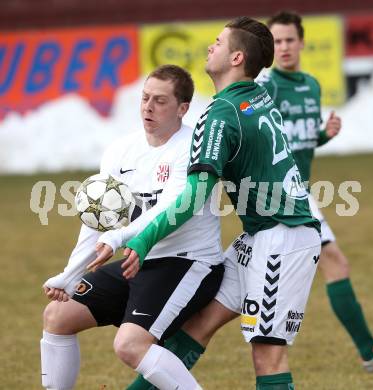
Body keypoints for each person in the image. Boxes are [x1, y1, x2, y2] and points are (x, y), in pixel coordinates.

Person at [93, 16, 322, 389]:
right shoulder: (255, 96)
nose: (210, 47)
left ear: (236, 58)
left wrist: (143, 238)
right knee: (198, 324)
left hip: (283, 238)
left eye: (218, 42)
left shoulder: (221, 114)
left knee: (267, 352)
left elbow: (196, 194)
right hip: (260, 235)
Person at [40, 64, 225, 390]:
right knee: (57, 316)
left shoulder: (191, 148)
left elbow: (169, 207)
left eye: (160, 101)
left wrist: (120, 237)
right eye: (144, 98)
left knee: (129, 345)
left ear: (183, 108)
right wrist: (69, 275)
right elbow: (98, 221)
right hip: (137, 263)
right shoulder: (121, 150)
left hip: (188, 263)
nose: (148, 107)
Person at [259, 11, 373, 373]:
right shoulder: (265, 87)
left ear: (301, 43)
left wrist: (323, 135)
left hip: (300, 192)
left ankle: (368, 350)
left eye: (288, 40)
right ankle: (368, 350)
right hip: (280, 195)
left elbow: (298, 141)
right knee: (335, 262)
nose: (283, 47)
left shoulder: (311, 86)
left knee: (248, 288)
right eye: (276, 41)